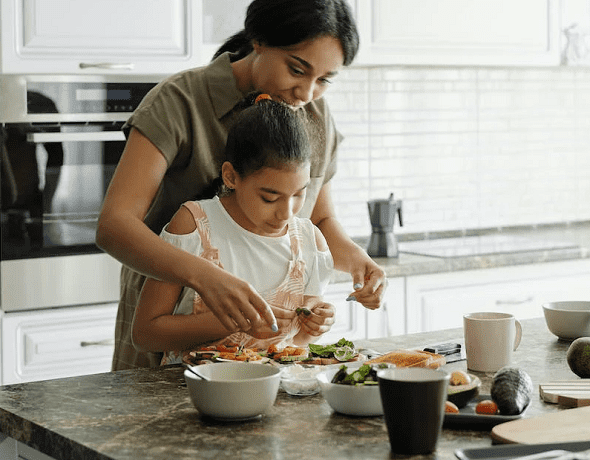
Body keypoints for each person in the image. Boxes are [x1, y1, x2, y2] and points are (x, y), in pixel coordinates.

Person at [97, 0, 387, 370]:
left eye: (324, 80)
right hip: (169, 330)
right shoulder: (179, 101)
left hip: (263, 357)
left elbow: (320, 221)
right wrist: (205, 277)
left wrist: (361, 264)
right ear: (260, 41)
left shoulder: (314, 113)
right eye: (297, 69)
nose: (306, 93)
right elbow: (114, 226)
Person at [132, 95, 335, 363]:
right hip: (193, 394)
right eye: (270, 197)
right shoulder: (194, 226)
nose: (286, 213)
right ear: (230, 176)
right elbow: (145, 334)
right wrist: (234, 322)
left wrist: (315, 326)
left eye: (299, 194)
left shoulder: (310, 242)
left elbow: (297, 343)